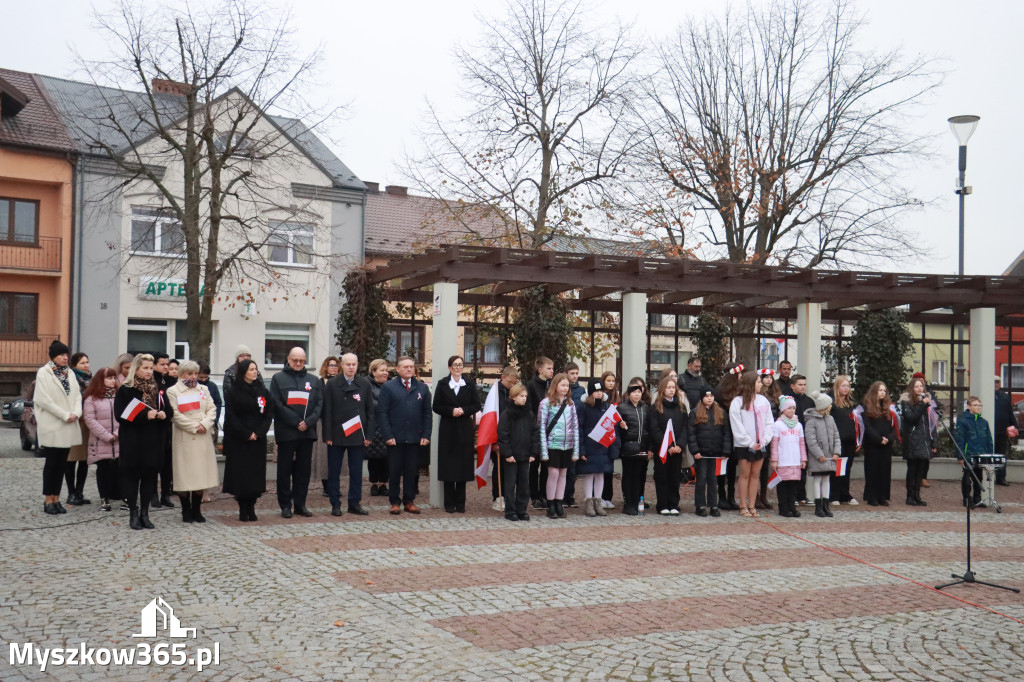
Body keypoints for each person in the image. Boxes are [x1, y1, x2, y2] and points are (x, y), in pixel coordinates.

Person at [115, 354, 169, 530]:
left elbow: (168, 409)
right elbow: (120, 414)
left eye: (150, 368)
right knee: (132, 477)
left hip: (153, 440)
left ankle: (145, 513)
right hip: (133, 441)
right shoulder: (126, 389)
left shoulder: (158, 388)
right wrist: (144, 415)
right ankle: (133, 513)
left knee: (149, 477)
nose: (148, 371)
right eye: (145, 368)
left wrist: (163, 414)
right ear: (136, 369)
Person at [269, 347, 323, 518]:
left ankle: (300, 504)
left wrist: (307, 422)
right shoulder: (278, 379)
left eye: (302, 360)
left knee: (303, 471)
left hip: (306, 433)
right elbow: (276, 404)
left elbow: (319, 405)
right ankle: (285, 505)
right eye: (295, 360)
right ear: (288, 359)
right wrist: (295, 421)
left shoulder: (314, 380)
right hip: (287, 432)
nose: (299, 363)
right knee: (284, 471)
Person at [376, 356, 432, 515]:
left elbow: (427, 413)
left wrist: (426, 434)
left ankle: (409, 500)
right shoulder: (388, 387)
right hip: (395, 437)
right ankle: (394, 502)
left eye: (411, 367)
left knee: (411, 471)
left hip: (415, 437)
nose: (409, 369)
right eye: (406, 367)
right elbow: (382, 413)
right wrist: (388, 435)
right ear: (398, 369)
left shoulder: (421, 388)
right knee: (394, 470)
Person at [322, 353, 375, 516]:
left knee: (356, 472)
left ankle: (354, 503)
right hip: (337, 434)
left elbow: (370, 411)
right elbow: (327, 411)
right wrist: (328, 435)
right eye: (348, 364)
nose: (351, 367)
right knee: (334, 471)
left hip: (357, 434)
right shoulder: (331, 384)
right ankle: (335, 503)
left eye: (354, 364)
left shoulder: (364, 384)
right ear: (342, 366)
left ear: (357, 366)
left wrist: (369, 435)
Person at [166, 361, 218, 523]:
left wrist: (205, 424)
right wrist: (194, 427)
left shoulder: (204, 389)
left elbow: (212, 408)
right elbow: (174, 414)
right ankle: (185, 509)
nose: (193, 377)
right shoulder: (173, 391)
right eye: (189, 374)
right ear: (181, 375)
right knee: (185, 475)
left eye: (195, 373)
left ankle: (197, 510)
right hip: (185, 437)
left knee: (201, 475)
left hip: (203, 437)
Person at [222, 359, 273, 522]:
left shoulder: (263, 391)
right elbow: (231, 416)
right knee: (242, 475)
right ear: (243, 372)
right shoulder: (233, 391)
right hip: (240, 440)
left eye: (256, 369)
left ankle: (252, 505)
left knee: (255, 476)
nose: (255, 372)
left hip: (258, 439)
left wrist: (259, 432)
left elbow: (268, 414)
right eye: (251, 369)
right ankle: (243, 508)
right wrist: (246, 433)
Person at [35, 340, 83, 515]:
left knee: (62, 463)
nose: (65, 357)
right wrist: (64, 414)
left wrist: (76, 413)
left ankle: (57, 497)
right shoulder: (44, 373)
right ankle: (49, 499)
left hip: (69, 423)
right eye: (62, 354)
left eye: (66, 354)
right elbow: (43, 399)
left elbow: (77, 395)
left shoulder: (69, 373)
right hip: (53, 423)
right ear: (54, 356)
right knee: (52, 463)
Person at [432, 355, 482, 513]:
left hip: (464, 428)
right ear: (450, 368)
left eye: (460, 364)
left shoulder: (469, 384)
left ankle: (461, 503)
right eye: (455, 365)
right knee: (448, 465)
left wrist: (464, 410)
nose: (458, 367)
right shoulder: (442, 384)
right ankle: (449, 503)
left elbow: (476, 404)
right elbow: (436, 406)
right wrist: (451, 411)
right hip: (448, 427)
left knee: (462, 465)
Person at [728, 372, 773, 518]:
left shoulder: (763, 401)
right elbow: (737, 424)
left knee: (755, 475)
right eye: (758, 382)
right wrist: (749, 442)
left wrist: (764, 440)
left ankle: (752, 505)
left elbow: (769, 422)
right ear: (751, 383)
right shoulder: (737, 402)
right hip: (744, 444)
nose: (761, 384)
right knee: (745, 475)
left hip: (760, 444)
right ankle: (742, 506)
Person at [578, 378, 622, 517]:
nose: (598, 393)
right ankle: (589, 501)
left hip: (603, 447)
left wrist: (614, 449)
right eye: (595, 391)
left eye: (600, 391)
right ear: (590, 393)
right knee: (590, 474)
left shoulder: (607, 407)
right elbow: (579, 428)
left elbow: (613, 428)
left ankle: (598, 501)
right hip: (589, 446)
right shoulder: (583, 407)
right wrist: (581, 449)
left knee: (600, 474)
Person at [537, 372, 579, 519]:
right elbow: (541, 427)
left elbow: (575, 427)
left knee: (563, 474)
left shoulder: (570, 404)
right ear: (555, 386)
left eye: (567, 385)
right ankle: (550, 503)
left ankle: (558, 502)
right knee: (553, 473)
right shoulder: (546, 403)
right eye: (562, 385)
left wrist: (576, 451)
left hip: (567, 445)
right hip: (552, 444)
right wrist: (544, 451)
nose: (565, 388)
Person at [688, 388, 732, 517]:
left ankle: (713, 505)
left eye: (712, 396)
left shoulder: (721, 413)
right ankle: (700, 505)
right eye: (707, 396)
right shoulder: (695, 412)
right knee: (701, 479)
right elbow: (691, 434)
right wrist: (695, 450)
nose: (709, 398)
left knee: (713, 480)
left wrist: (725, 451)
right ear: (702, 398)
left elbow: (726, 434)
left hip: (716, 453)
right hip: (701, 453)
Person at [649, 375, 689, 515]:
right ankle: (662, 504)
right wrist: (668, 445)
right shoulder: (656, 407)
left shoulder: (681, 406)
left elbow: (685, 428)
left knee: (674, 477)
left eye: (673, 388)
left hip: (677, 450)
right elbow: (654, 429)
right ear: (662, 389)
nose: (671, 390)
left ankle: (673, 504)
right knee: (662, 476)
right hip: (663, 449)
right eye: (668, 387)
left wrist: (680, 445)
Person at [497, 383, 538, 521]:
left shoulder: (529, 414)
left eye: (525, 396)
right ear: (513, 397)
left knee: (524, 484)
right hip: (512, 455)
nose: (524, 399)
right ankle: (510, 510)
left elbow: (534, 433)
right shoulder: (507, 414)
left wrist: (533, 452)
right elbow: (503, 434)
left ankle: (522, 509)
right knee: (510, 484)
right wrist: (507, 453)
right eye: (521, 396)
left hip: (525, 454)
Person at [83, 368, 120, 511]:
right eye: (109, 378)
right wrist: (106, 436)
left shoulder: (119, 396)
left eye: (113, 378)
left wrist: (117, 433)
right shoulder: (91, 399)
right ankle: (104, 497)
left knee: (120, 469)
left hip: (118, 439)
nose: (112, 381)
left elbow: (124, 416)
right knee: (103, 470)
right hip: (101, 440)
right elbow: (90, 420)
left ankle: (122, 496)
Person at [856, 381, 898, 507]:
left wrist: (889, 438)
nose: (882, 393)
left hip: (886, 445)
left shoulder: (889, 409)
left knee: (885, 470)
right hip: (873, 445)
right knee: (873, 470)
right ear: (874, 391)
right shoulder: (866, 408)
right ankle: (872, 496)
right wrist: (879, 439)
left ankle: (882, 496)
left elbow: (895, 427)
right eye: (880, 390)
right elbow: (867, 427)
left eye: (884, 391)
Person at [804, 392, 841, 518]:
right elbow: (811, 441)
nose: (831, 406)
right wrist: (819, 455)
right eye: (829, 404)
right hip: (818, 458)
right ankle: (818, 505)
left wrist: (836, 452)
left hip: (829, 456)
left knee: (826, 479)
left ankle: (826, 504)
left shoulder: (830, 419)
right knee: (818, 479)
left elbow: (836, 436)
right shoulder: (811, 421)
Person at [900, 376, 935, 507]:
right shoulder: (906, 402)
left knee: (920, 471)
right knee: (912, 469)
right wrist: (922, 405)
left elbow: (929, 424)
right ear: (912, 388)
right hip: (912, 440)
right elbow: (911, 418)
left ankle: (917, 495)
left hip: (923, 440)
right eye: (917, 386)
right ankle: (910, 496)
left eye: (921, 386)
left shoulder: (926, 402)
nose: (920, 388)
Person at [618, 380, 652, 516]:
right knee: (628, 475)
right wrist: (622, 429)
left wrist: (649, 447)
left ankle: (638, 500)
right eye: (634, 392)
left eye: (639, 392)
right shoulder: (622, 408)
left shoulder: (645, 408)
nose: (637, 395)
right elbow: (617, 430)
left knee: (638, 476)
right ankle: (628, 503)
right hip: (628, 448)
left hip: (642, 447)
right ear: (629, 393)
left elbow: (649, 429)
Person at [770, 396, 807, 518]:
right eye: (789, 408)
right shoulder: (778, 425)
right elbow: (774, 444)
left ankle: (792, 506)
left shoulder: (798, 425)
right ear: (783, 410)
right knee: (783, 486)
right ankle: (783, 507)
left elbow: (802, 443)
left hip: (795, 460)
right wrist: (774, 459)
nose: (792, 410)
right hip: (783, 461)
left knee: (793, 486)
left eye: (794, 408)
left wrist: (803, 459)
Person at [714, 362, 744, 510]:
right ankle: (722, 496)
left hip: (735, 431)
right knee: (722, 465)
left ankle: (731, 497)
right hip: (722, 431)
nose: (741, 377)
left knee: (732, 466)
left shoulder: (739, 391)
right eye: (739, 374)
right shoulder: (719, 391)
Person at [64, 352, 92, 506]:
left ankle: (80, 492)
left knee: (84, 460)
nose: (86, 365)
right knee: (71, 459)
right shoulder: (71, 378)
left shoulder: (91, 379)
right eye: (82, 363)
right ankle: (71, 492)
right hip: (75, 421)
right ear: (74, 365)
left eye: (87, 362)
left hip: (87, 422)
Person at [490, 365, 520, 510]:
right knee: (499, 469)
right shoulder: (494, 392)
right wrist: (495, 441)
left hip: (514, 436)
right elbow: (492, 418)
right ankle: (498, 496)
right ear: (503, 378)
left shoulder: (517, 392)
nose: (512, 386)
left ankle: (510, 496)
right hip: (499, 436)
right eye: (510, 382)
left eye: (515, 383)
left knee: (512, 469)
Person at [527, 357, 555, 510]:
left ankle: (544, 494)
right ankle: (534, 496)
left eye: (552, 368)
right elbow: (530, 408)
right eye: (549, 368)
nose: (552, 371)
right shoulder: (532, 385)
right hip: (537, 431)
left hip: (550, 432)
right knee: (534, 465)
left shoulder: (551, 386)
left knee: (546, 464)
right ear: (540, 370)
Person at [150, 352, 176, 509]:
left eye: (167, 364)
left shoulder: (172, 381)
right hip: (154, 427)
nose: (166, 367)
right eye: (163, 364)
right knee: (154, 462)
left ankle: (166, 493)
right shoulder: (151, 381)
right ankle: (153, 494)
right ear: (154, 365)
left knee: (168, 463)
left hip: (168, 425)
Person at [312, 356, 341, 497]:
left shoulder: (342, 382)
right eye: (331, 365)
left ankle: (335, 485)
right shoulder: (319, 383)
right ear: (326, 366)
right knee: (323, 455)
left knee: (338, 455)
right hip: (322, 422)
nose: (334, 367)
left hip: (338, 422)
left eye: (336, 365)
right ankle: (326, 486)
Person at [829, 375, 859, 505]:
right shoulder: (832, 404)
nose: (846, 388)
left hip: (850, 441)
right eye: (843, 386)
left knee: (847, 468)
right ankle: (834, 495)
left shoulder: (852, 404)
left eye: (848, 386)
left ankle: (845, 493)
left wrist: (858, 440)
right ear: (837, 387)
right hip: (838, 441)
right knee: (837, 468)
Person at [561, 362, 586, 509]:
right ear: (565, 373)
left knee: (573, 469)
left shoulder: (581, 390)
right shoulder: (560, 389)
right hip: (562, 432)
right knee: (561, 467)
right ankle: (561, 496)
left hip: (576, 431)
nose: (575, 376)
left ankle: (570, 495)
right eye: (572, 373)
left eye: (577, 373)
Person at [756, 368, 780, 510]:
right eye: (765, 377)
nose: (768, 380)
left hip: (772, 434)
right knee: (757, 467)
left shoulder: (775, 395)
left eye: (770, 377)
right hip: (760, 434)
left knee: (765, 467)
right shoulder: (758, 396)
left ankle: (763, 495)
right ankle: (756, 495)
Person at [366, 359, 391, 497]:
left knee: (386, 458)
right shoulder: (366, 385)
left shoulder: (391, 385)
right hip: (373, 426)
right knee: (374, 457)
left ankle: (384, 484)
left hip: (388, 426)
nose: (385, 373)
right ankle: (374, 483)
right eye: (382, 370)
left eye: (386, 370)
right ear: (374, 371)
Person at [597, 371, 621, 510]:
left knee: (609, 469)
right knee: (600, 469)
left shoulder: (617, 398)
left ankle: (608, 497)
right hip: (601, 436)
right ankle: (598, 497)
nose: (611, 383)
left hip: (613, 437)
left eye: (613, 380)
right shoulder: (600, 397)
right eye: (608, 380)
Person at [994, 376, 1018, 486]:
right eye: (994, 382)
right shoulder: (985, 396)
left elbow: (1010, 413)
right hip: (989, 430)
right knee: (989, 454)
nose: (996, 384)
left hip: (1002, 431)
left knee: (1001, 455)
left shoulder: (1005, 397)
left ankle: (1001, 478)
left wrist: (1015, 426)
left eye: (997, 382)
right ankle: (988, 478)